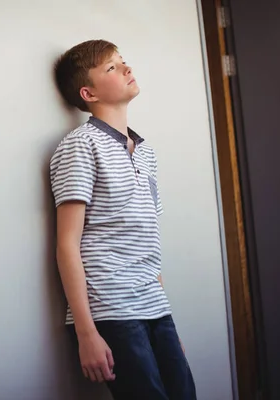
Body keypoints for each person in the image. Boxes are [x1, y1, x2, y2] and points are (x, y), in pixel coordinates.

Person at [50, 39, 197, 400]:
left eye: (123, 61)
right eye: (112, 68)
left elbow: (147, 240)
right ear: (89, 92)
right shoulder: (79, 146)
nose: (127, 69)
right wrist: (86, 333)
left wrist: (165, 318)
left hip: (154, 307)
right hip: (111, 311)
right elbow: (67, 245)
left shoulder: (146, 152)